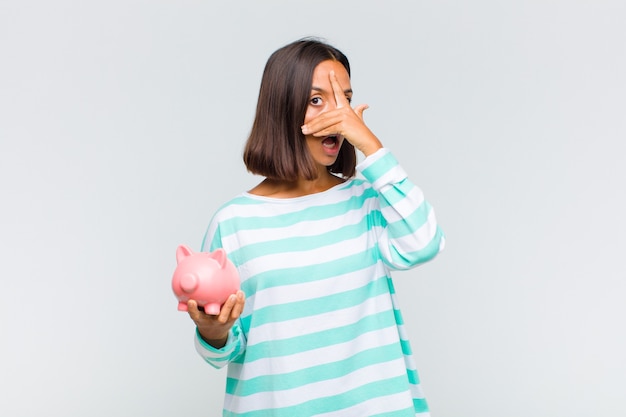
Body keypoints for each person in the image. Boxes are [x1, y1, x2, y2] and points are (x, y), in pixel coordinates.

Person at [186, 38, 445, 417]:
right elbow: (224, 347)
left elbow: (425, 242)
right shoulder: (235, 222)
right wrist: (212, 331)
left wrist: (372, 147)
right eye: (317, 99)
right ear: (282, 109)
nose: (338, 114)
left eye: (345, 98)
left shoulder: (367, 199)